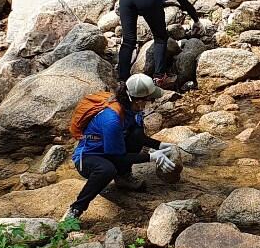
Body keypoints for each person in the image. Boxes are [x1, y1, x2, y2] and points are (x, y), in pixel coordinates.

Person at [63, 74, 178, 224]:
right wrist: (152, 157)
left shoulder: (131, 109)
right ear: (139, 100)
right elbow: (118, 157)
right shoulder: (112, 119)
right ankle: (75, 209)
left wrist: (160, 146)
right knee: (106, 170)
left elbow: (137, 137)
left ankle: (123, 177)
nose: (152, 102)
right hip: (88, 157)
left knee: (136, 133)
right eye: (150, 99)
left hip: (111, 150)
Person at [118, 0, 201, 86]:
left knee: (128, 40)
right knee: (160, 37)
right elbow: (184, 2)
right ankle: (159, 77)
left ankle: (122, 80)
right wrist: (196, 20)